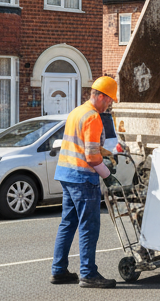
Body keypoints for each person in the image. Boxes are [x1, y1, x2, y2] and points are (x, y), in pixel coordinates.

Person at [51, 76, 119, 288]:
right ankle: (88, 274)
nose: (109, 104)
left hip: (66, 173)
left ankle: (59, 270)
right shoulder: (93, 118)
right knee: (89, 226)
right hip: (82, 177)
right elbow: (90, 156)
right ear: (100, 96)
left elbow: (80, 145)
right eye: (109, 100)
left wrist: (103, 151)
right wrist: (108, 175)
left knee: (68, 223)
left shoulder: (77, 112)